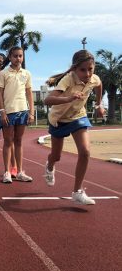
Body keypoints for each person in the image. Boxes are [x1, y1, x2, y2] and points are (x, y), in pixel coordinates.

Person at [44, 50, 105, 205]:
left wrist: (99, 104)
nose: (87, 73)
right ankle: (50, 165)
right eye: (83, 70)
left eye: (90, 69)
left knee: (85, 152)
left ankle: (77, 192)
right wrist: (68, 98)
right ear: (74, 69)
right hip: (59, 120)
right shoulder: (67, 80)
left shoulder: (94, 79)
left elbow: (99, 85)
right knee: (56, 156)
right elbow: (47, 100)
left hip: (78, 117)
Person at [0, 46, 34, 184]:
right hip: (8, 112)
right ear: (10, 57)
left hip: (23, 111)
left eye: (20, 56)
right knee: (8, 141)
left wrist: (31, 112)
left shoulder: (27, 73)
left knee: (18, 141)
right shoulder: (4, 73)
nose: (18, 59)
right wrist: (2, 111)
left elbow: (29, 93)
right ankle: (6, 172)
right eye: (15, 56)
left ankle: (19, 172)